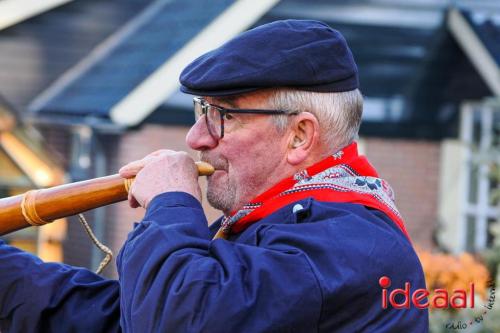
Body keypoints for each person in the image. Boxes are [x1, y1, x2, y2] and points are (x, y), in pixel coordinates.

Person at [0, 20, 428, 332]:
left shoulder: (349, 243)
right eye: (202, 110)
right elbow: (122, 320)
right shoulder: (284, 223)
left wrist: (172, 202)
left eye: (224, 115)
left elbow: (175, 321)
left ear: (299, 136)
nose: (197, 137)